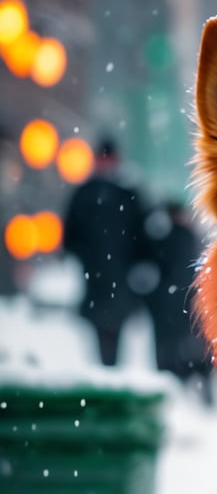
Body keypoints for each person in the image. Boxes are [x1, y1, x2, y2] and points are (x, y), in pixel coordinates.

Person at [62, 137, 147, 367]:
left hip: (117, 277)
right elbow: (70, 236)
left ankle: (109, 376)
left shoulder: (124, 193)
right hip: (100, 277)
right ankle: (106, 375)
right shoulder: (90, 193)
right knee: (102, 334)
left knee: (112, 333)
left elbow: (141, 237)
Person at [140, 200, 214, 403]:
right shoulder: (188, 238)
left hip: (172, 309)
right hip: (187, 306)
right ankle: (199, 395)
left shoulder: (165, 239)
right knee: (195, 355)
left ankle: (182, 395)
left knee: (174, 359)